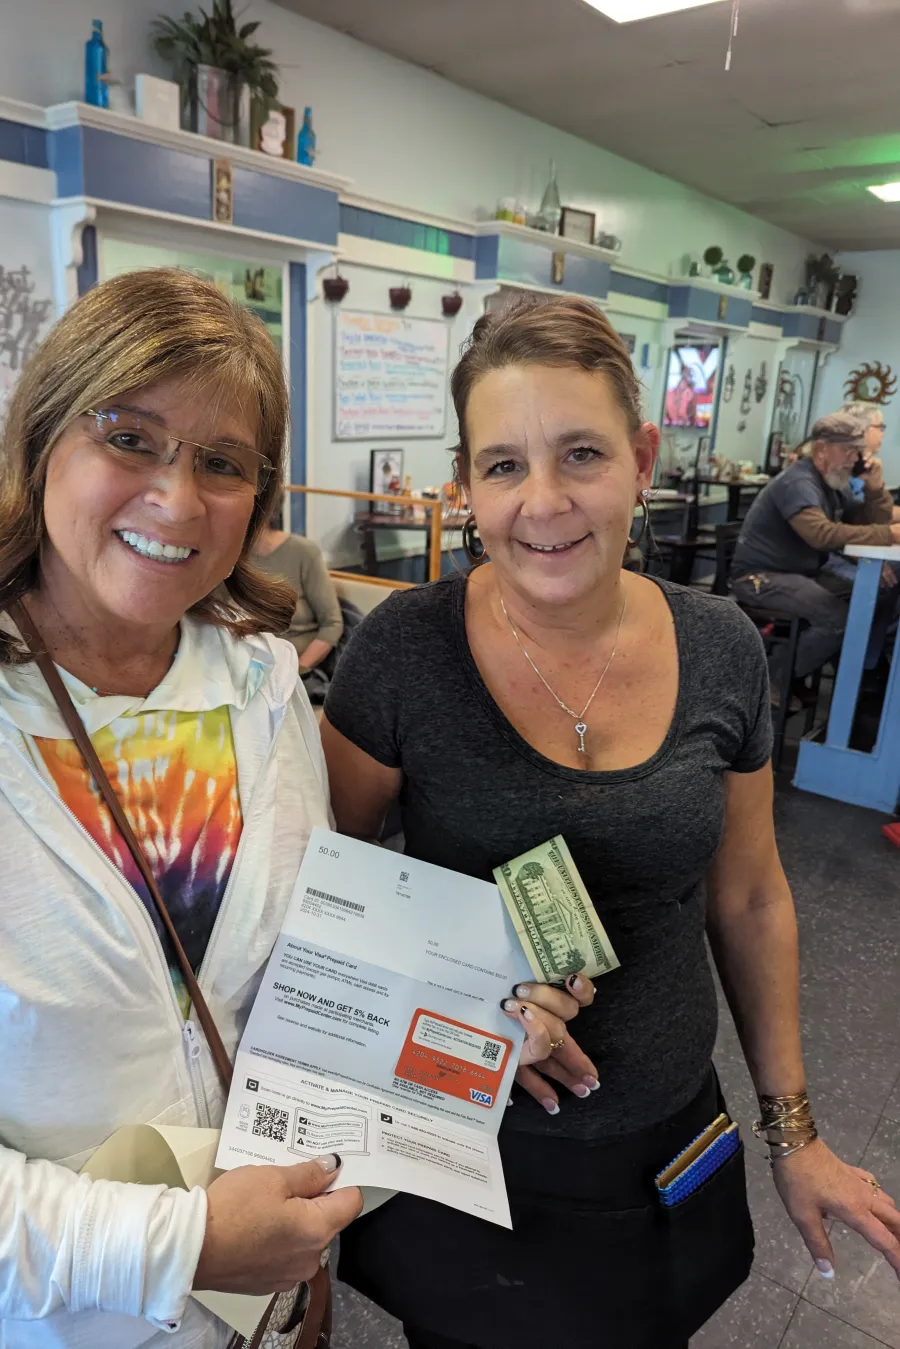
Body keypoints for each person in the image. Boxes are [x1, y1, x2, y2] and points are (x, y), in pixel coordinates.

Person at [0, 268, 566, 1349]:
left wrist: (483, 1007)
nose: (177, 498)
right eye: (130, 436)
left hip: (268, 1307)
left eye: (223, 463)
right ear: (40, 438)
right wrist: (179, 1241)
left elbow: (311, 959)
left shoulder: (258, 680)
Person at [320, 297, 900, 1349]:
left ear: (640, 456)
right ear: (465, 482)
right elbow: (320, 893)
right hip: (470, 1141)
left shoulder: (720, 646)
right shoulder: (405, 651)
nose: (542, 502)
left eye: (580, 452)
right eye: (502, 465)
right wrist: (458, 989)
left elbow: (753, 893)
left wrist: (793, 1129)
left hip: (663, 1137)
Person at [731, 412, 900, 680]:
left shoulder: (832, 484)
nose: (855, 459)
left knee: (872, 596)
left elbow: (865, 523)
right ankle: (771, 681)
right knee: (839, 619)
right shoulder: (799, 482)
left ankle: (859, 674)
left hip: (800, 573)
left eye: (858, 452)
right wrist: (888, 535)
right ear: (822, 449)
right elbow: (821, 535)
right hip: (763, 577)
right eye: (849, 451)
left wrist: (875, 490)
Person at [252, 499, 344, 677]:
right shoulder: (229, 556)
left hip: (296, 671)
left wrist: (296, 672)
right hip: (245, 670)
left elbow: (332, 624)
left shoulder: (304, 552)